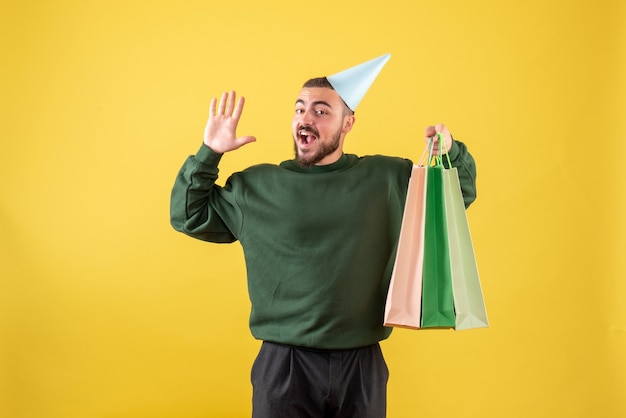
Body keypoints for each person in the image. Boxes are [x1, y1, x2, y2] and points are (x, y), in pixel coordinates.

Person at [170, 57, 477, 418]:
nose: (306, 118)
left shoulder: (385, 179)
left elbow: (454, 197)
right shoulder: (256, 186)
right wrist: (211, 152)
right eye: (300, 109)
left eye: (321, 111)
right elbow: (188, 215)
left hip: (361, 364)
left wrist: (450, 152)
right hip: (284, 364)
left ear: (348, 123)